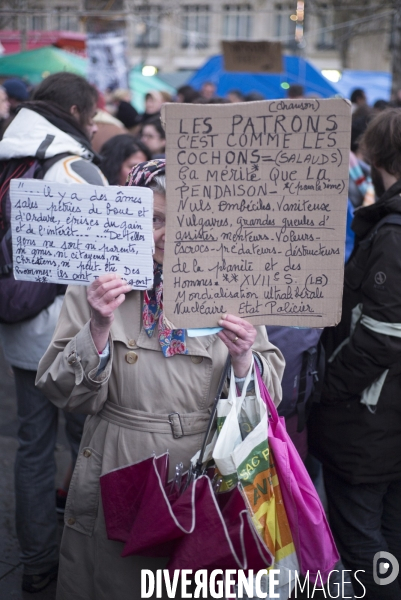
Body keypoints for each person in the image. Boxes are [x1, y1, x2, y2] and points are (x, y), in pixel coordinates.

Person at [36, 159, 284, 600]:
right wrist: (97, 326)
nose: (167, 234)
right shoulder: (98, 283)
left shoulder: (231, 276)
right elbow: (61, 392)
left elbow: (271, 394)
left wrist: (245, 357)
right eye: (154, 218)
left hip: (208, 470)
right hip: (121, 460)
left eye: (182, 219)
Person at [0, 71, 107, 593]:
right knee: (88, 445)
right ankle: (78, 559)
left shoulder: (11, 154)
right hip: (71, 333)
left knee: (33, 448)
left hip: (21, 330)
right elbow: (109, 257)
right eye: (92, 116)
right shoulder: (71, 167)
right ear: (78, 114)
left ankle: (38, 559)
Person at [309, 109, 401, 599]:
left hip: (370, 418)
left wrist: (327, 387)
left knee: (361, 543)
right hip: (384, 417)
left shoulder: (393, 232)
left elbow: (383, 334)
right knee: (387, 538)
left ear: (378, 153)